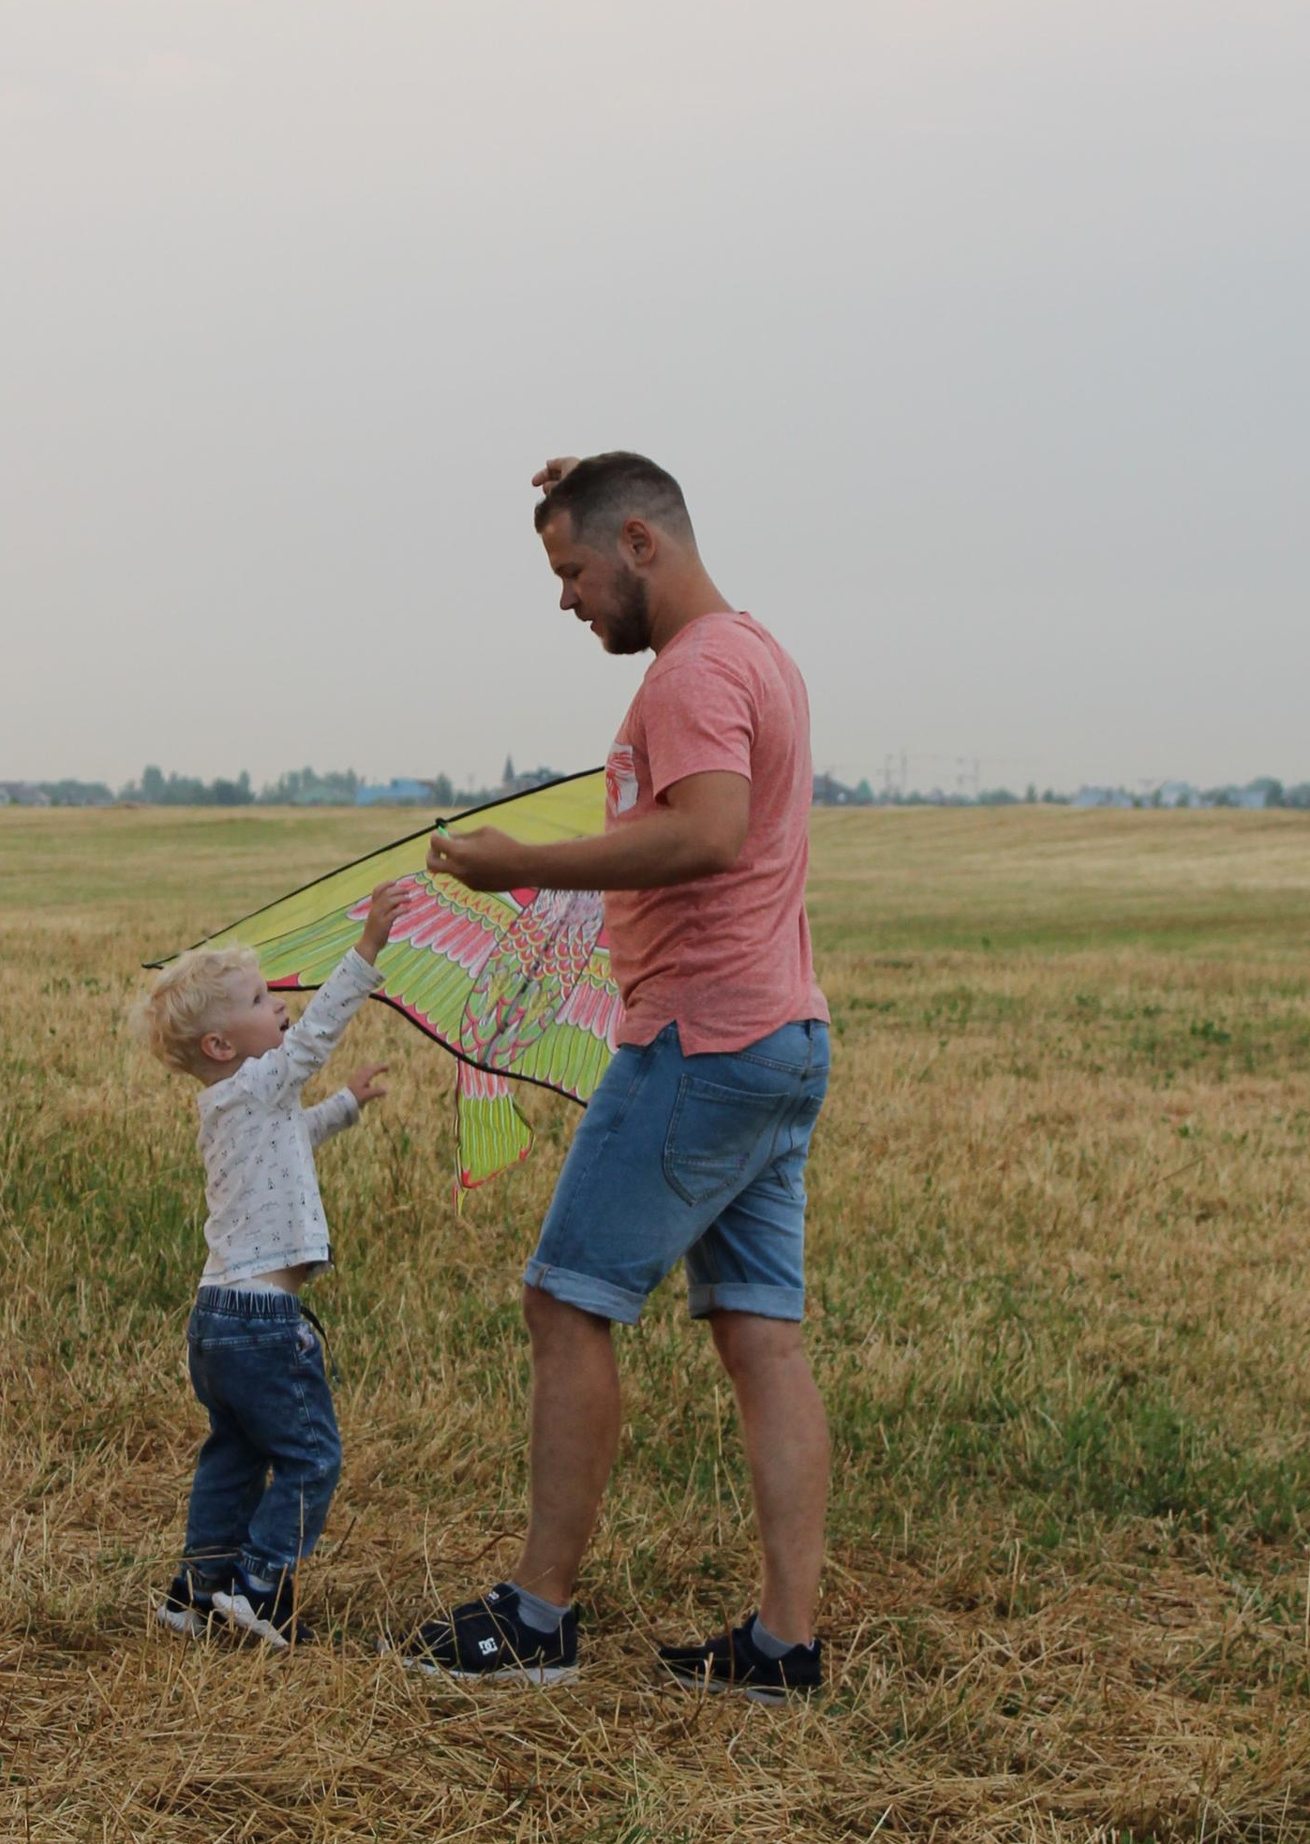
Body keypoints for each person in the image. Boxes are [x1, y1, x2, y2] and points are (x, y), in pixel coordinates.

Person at [402, 453, 832, 1697]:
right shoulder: (758, 652)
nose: (566, 598)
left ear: (638, 542)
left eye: (572, 569)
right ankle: (781, 1647)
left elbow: (705, 831)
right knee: (764, 1338)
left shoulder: (694, 671)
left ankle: (535, 1619)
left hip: (698, 1043)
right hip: (781, 1036)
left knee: (564, 1302)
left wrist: (517, 864)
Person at [132, 874, 408, 1647]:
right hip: (261, 1321)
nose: (281, 1004)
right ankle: (257, 1584)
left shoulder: (235, 1106)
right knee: (311, 1457)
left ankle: (194, 1593)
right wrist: (368, 947)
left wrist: (345, 1107)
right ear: (221, 1046)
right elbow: (317, 1035)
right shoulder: (259, 1086)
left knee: (235, 1456)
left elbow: (294, 1141)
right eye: (259, 1000)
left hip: (214, 1320)